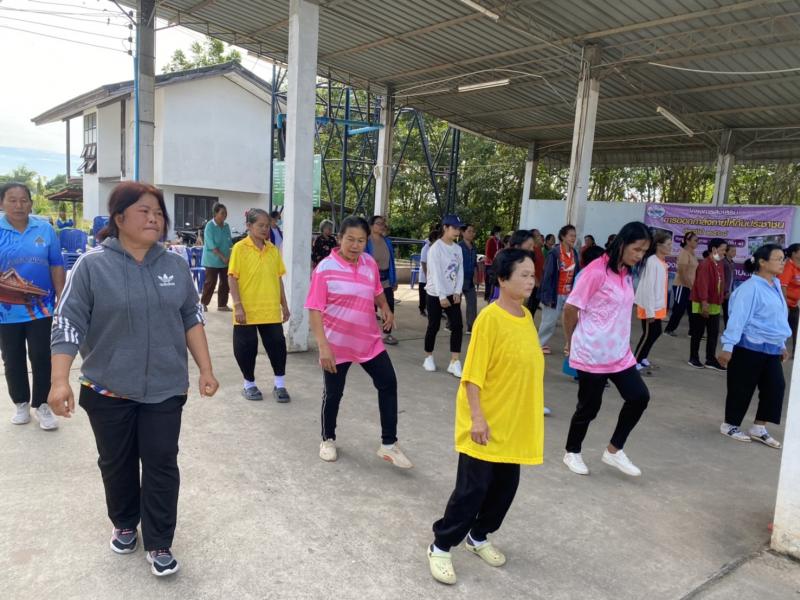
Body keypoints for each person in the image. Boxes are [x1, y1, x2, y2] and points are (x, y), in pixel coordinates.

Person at [48, 181, 218, 577]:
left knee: (162, 462)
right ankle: (125, 521)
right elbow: (68, 322)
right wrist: (59, 380)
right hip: (107, 387)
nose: (154, 218)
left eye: (158, 212)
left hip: (165, 387)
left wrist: (206, 369)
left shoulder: (175, 265)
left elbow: (191, 317)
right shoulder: (91, 266)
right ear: (119, 218)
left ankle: (159, 542)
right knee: (116, 462)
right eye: (144, 211)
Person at [427, 249, 544, 586]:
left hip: (513, 423)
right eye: (523, 274)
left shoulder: (526, 316)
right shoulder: (490, 319)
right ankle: (441, 546)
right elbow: (472, 376)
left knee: (505, 489)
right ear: (503, 279)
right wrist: (477, 419)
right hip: (485, 423)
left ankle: (478, 536)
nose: (531, 281)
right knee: (472, 490)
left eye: (532, 275)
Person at [305, 216, 413, 468]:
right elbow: (314, 309)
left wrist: (386, 308)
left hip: (368, 341)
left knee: (388, 383)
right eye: (350, 239)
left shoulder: (368, 263)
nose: (355, 245)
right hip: (337, 345)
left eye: (361, 241)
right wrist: (323, 347)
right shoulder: (325, 269)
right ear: (339, 238)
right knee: (333, 393)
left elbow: (376, 291)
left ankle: (388, 444)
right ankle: (328, 439)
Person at [562, 222, 651, 478]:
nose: (639, 255)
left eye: (644, 251)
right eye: (636, 249)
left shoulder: (625, 272)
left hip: (619, 352)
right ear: (622, 244)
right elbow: (571, 307)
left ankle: (614, 450)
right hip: (592, 352)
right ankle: (572, 451)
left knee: (639, 397)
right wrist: (570, 340)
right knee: (589, 408)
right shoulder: (595, 271)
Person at [0, 182, 66, 429]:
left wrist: (62, 298)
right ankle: (21, 403)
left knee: (42, 356)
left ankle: (43, 405)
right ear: (2, 203)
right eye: (12, 200)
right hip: (5, 311)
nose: (19, 205)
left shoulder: (45, 229)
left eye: (24, 200)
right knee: (12, 358)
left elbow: (56, 264)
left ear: (30, 203)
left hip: (42, 308)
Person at [717, 244, 791, 448]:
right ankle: (730, 425)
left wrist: (781, 344)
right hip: (748, 346)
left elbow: (777, 319)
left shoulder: (775, 285)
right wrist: (728, 347)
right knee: (742, 387)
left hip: (771, 347)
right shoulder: (750, 288)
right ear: (762, 262)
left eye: (783, 259)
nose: (782, 263)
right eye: (778, 259)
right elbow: (737, 318)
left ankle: (759, 427)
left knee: (776, 386)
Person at [228, 209, 291, 402]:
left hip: (270, 309)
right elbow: (232, 277)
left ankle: (280, 385)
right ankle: (249, 384)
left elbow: (278, 279)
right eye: (260, 225)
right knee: (247, 348)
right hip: (247, 310)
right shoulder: (239, 248)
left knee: (277, 346)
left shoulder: (273, 250)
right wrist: (237, 305)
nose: (265, 229)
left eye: (267, 225)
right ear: (249, 226)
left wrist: (284, 305)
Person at [424, 214, 465, 378]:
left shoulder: (458, 249)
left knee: (457, 326)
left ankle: (454, 361)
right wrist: (441, 296)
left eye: (459, 229)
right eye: (454, 228)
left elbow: (460, 271)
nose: (457, 232)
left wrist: (457, 291)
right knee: (433, 326)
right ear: (445, 228)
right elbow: (435, 274)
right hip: (435, 294)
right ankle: (428, 357)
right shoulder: (436, 249)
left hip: (452, 294)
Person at [538, 224, 580, 354]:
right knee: (549, 321)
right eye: (571, 235)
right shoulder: (554, 253)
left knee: (572, 321)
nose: (573, 238)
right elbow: (547, 276)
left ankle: (570, 346)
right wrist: (547, 296)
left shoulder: (574, 253)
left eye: (575, 236)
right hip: (555, 293)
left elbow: (577, 273)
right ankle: (539, 344)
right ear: (563, 236)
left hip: (570, 294)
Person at [633, 231, 671, 374]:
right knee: (648, 334)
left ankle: (643, 358)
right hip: (649, 307)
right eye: (668, 244)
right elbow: (648, 288)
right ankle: (635, 363)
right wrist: (650, 312)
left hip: (656, 306)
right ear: (659, 245)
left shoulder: (661, 262)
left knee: (656, 332)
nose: (670, 247)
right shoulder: (652, 262)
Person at [688, 238, 728, 370]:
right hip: (702, 303)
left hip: (715, 304)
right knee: (698, 332)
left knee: (713, 333)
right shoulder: (705, 264)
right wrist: (704, 303)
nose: (724, 252)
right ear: (714, 249)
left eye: (725, 250)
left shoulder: (719, 263)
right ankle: (693, 358)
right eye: (722, 249)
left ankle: (710, 359)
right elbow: (702, 284)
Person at [366, 215, 398, 346]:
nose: (382, 226)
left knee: (389, 304)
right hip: (370, 280)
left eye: (383, 224)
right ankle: (367, 334)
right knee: (368, 308)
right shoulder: (366, 242)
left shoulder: (387, 241)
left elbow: (391, 263)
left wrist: (393, 280)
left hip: (385, 280)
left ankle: (387, 333)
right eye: (378, 223)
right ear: (371, 226)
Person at [664, 231, 699, 336]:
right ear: (688, 241)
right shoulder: (684, 253)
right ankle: (669, 330)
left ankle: (693, 332)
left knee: (692, 310)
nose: (697, 242)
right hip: (682, 285)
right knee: (679, 308)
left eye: (698, 240)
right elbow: (682, 272)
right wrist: (689, 286)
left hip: (690, 286)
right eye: (695, 240)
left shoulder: (692, 253)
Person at [200, 202, 233, 312]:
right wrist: (223, 257)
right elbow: (212, 246)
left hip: (225, 260)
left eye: (226, 213)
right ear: (215, 213)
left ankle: (222, 305)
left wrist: (230, 256)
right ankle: (203, 303)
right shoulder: (209, 226)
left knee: (225, 282)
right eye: (222, 213)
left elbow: (229, 243)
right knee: (211, 282)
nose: (225, 215)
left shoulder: (226, 226)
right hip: (212, 260)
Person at [779, 243, 800, 357]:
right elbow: (783, 286)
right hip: (786, 306)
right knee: (781, 331)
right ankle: (779, 353)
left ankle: (796, 354)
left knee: (796, 331)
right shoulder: (788, 267)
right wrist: (784, 305)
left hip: (794, 305)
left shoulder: (797, 267)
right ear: (794, 254)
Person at [459, 223, 478, 334]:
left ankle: (471, 326)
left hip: (470, 279)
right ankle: (451, 324)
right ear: (463, 233)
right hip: (459, 279)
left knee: (472, 302)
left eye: (473, 231)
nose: (472, 233)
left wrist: (475, 276)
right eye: (469, 231)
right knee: (455, 303)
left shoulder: (474, 247)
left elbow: (475, 264)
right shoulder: (458, 247)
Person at [419, 226, 442, 317]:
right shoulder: (426, 248)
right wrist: (427, 276)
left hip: (434, 276)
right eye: (438, 238)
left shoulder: (438, 248)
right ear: (433, 239)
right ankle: (422, 309)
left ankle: (436, 311)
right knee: (423, 294)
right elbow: (423, 263)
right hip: (425, 277)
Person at [483, 226, 503, 301]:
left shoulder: (499, 241)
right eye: (499, 232)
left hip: (496, 264)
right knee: (489, 281)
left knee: (493, 282)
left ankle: (490, 296)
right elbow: (488, 253)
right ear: (495, 232)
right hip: (490, 264)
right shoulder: (490, 240)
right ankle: (487, 296)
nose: (500, 234)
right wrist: (494, 261)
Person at [529, 229, 545, 316]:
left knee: (534, 306)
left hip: (539, 282)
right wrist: (536, 281)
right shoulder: (532, 250)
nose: (540, 237)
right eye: (538, 235)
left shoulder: (539, 249)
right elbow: (529, 268)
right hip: (533, 283)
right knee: (530, 307)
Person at [721, 244, 737, 326]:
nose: (734, 252)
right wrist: (725, 291)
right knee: (726, 311)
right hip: (724, 292)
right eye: (732, 251)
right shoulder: (723, 263)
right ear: (726, 252)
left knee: (729, 311)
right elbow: (721, 278)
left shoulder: (732, 263)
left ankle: (728, 327)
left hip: (730, 291)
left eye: (735, 251)